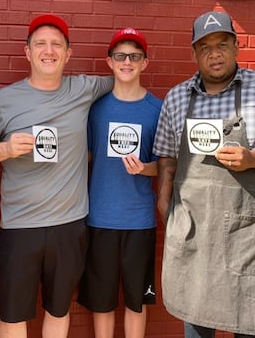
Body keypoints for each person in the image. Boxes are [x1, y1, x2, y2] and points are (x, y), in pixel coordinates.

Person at [153, 11, 255, 338]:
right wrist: (164, 198)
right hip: (194, 225)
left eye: (222, 44)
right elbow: (167, 154)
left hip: (247, 229)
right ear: (194, 53)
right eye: (205, 47)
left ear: (237, 46)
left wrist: (254, 158)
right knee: (195, 319)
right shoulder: (178, 97)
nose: (214, 53)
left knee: (248, 320)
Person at [0, 14, 114, 338]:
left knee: (59, 310)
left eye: (56, 44)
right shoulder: (5, 100)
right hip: (20, 226)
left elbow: (123, 77)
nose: (49, 51)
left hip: (70, 224)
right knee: (12, 315)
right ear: (27, 52)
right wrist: (5, 149)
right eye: (41, 44)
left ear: (68, 53)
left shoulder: (84, 88)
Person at [78, 27, 162, 338]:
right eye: (120, 56)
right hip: (99, 217)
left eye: (134, 56)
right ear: (110, 62)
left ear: (144, 63)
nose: (127, 62)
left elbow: (167, 166)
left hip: (139, 220)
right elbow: (85, 156)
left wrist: (145, 169)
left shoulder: (158, 109)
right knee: (102, 302)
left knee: (136, 301)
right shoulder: (95, 108)